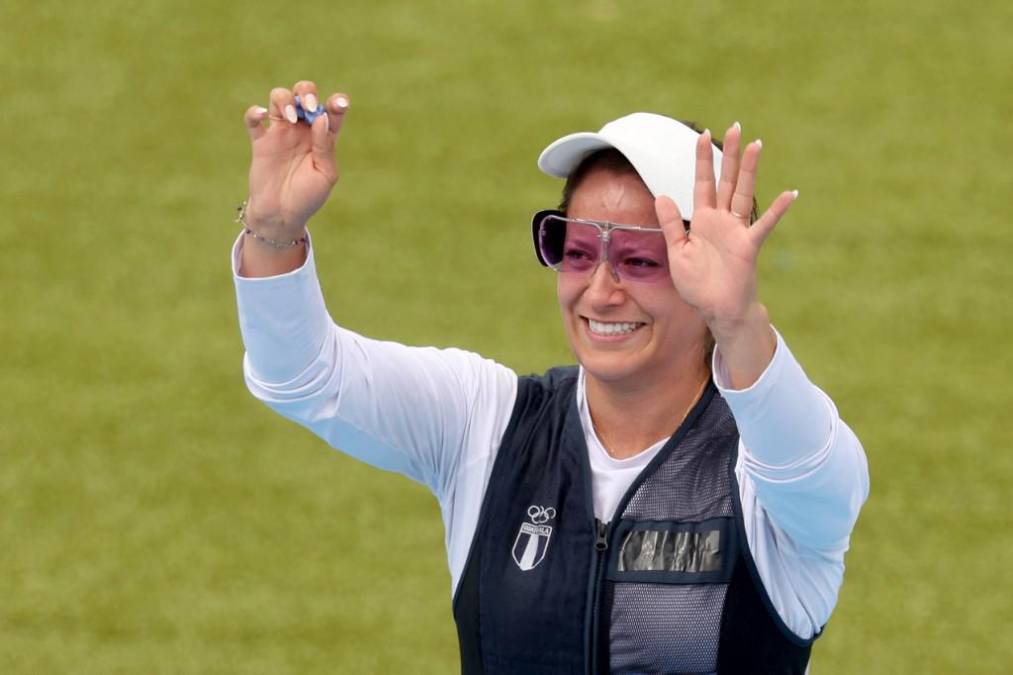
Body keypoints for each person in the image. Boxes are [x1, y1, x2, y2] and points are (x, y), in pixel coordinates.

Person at [232, 80, 869, 675]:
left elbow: (810, 467)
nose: (599, 291)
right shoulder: (485, 423)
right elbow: (305, 375)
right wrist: (274, 232)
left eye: (640, 260)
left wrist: (739, 322)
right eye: (576, 249)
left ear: (706, 278)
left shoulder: (769, 474)